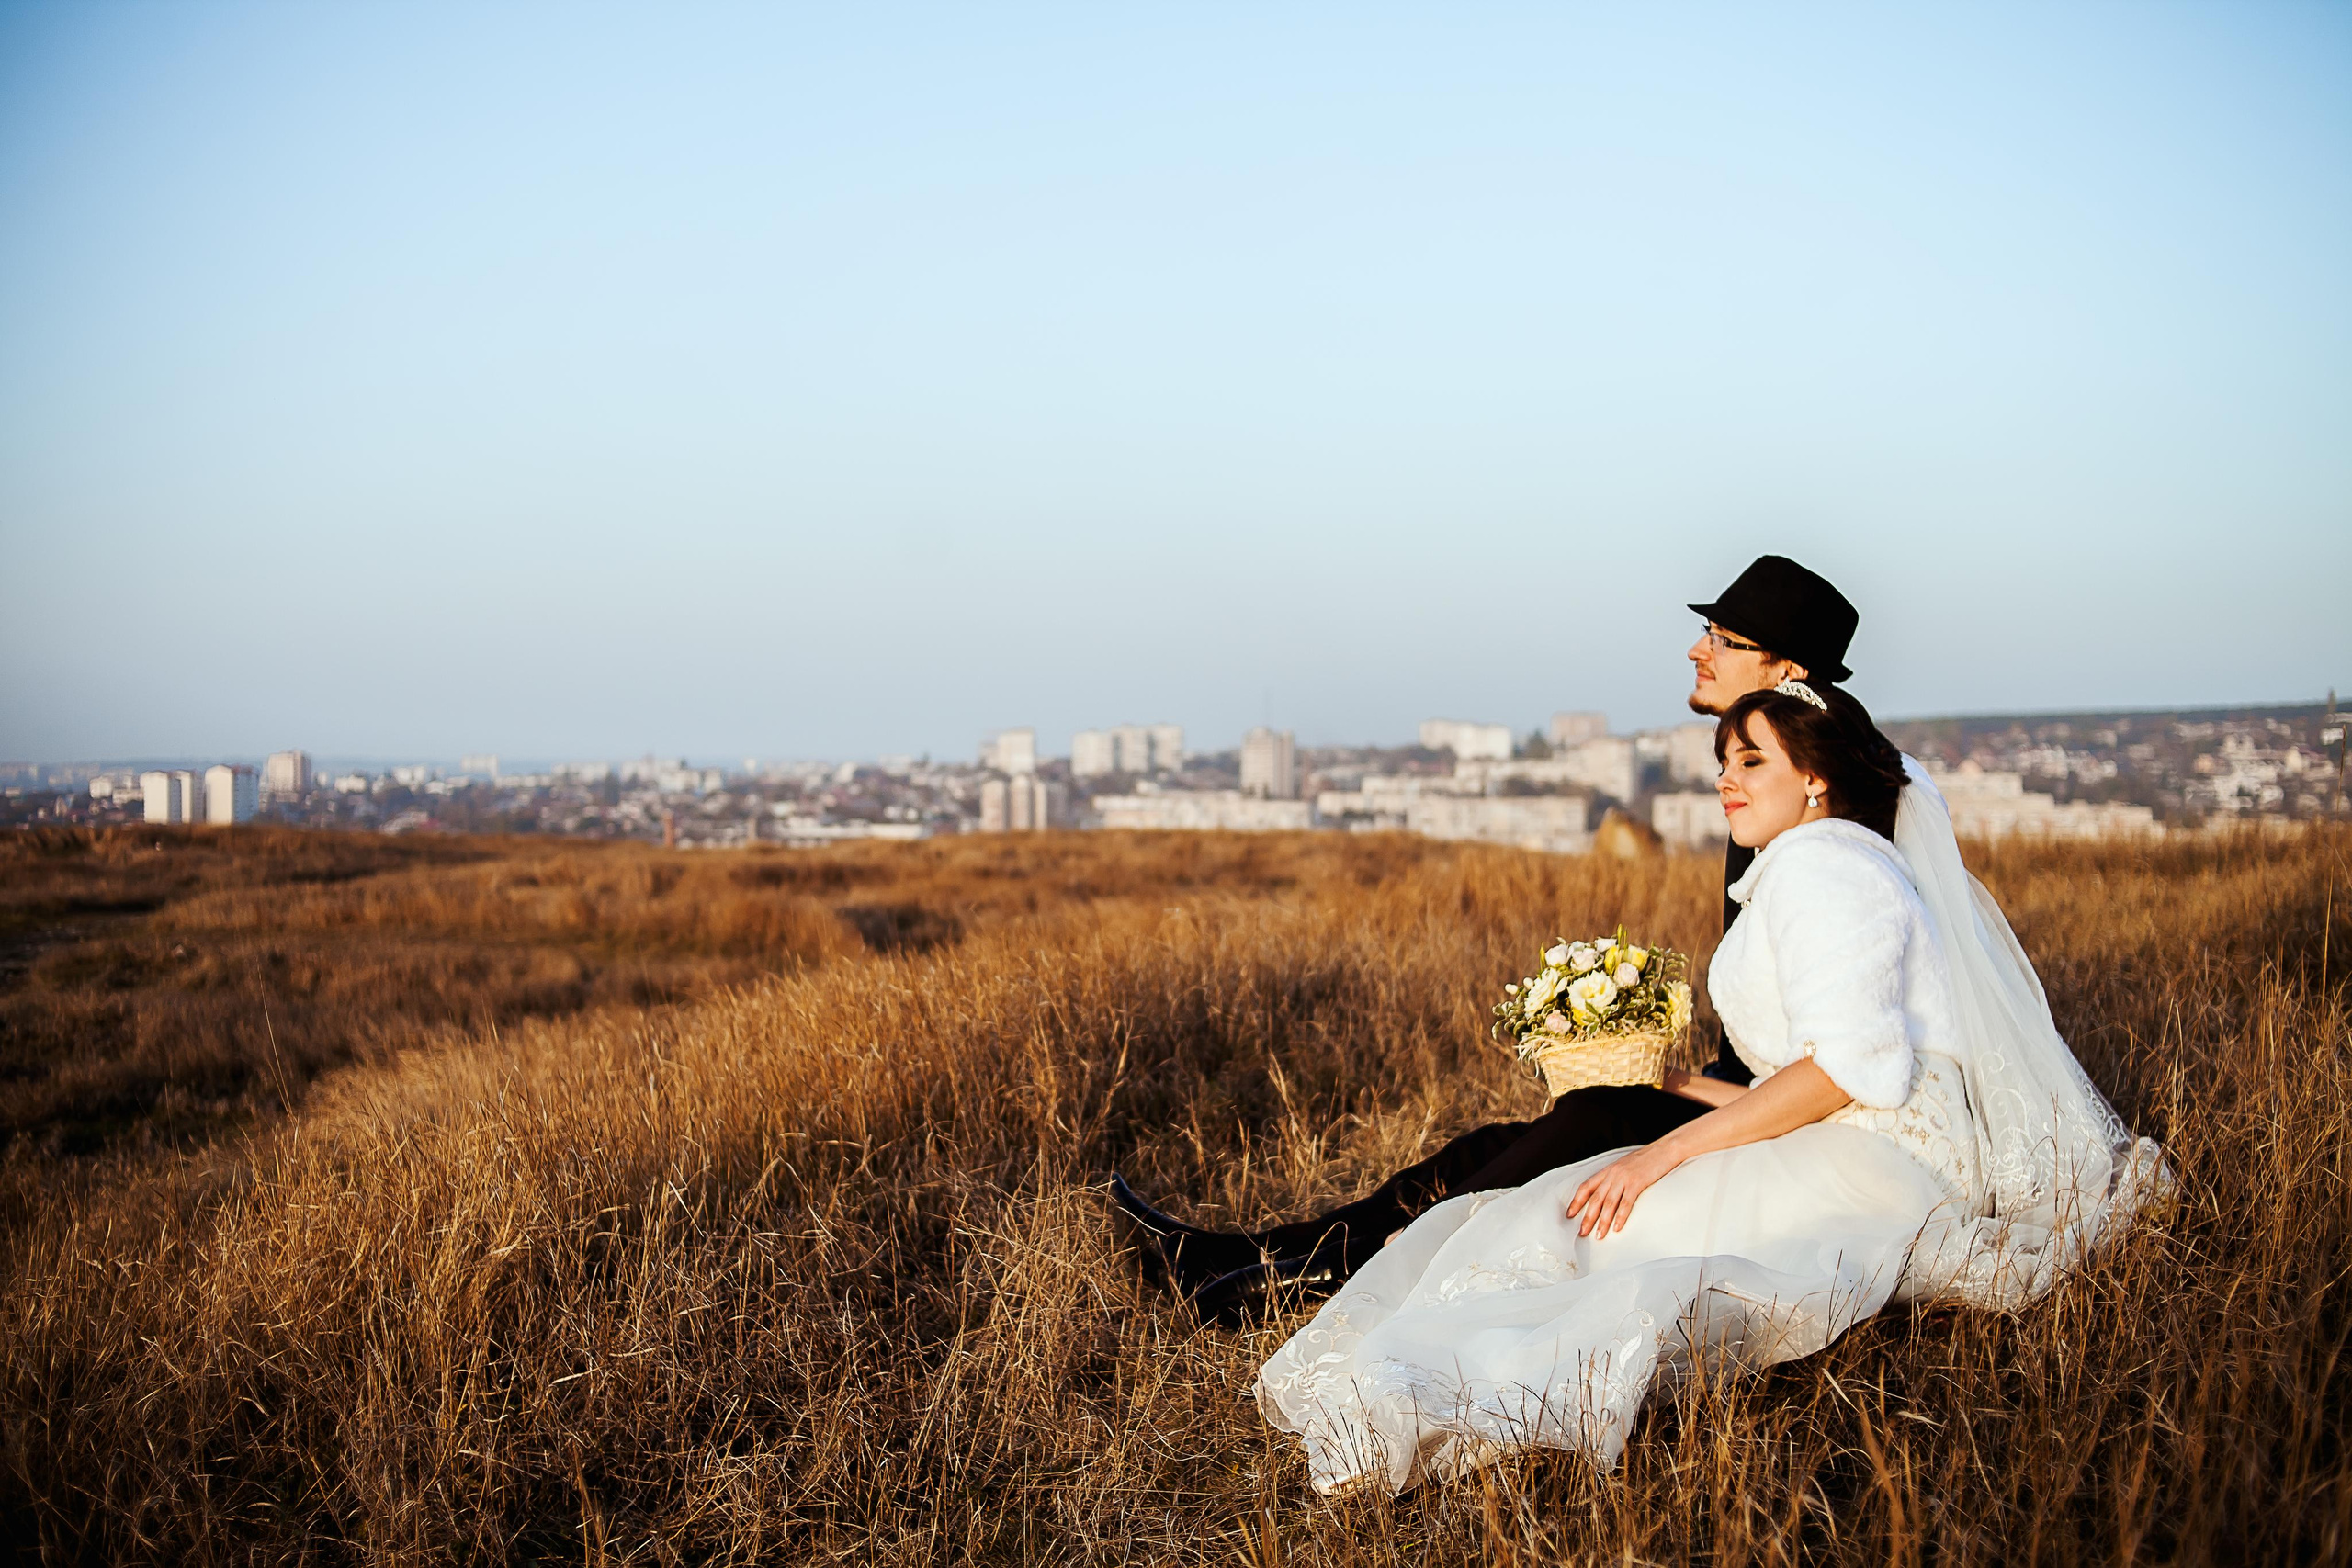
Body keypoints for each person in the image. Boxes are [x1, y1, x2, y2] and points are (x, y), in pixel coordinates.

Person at [1252, 682, 2166, 1494]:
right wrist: (1679, 1085)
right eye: (1723, 760)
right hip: (1857, 1140)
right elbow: (1832, 1080)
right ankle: (1427, 1375)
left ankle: (1441, 1395)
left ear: (1814, 777)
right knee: (1566, 1213)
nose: (1725, 778)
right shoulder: (1822, 861)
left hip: (1879, 1167)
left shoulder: (1826, 866)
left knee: (1587, 1228)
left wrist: (1661, 1154)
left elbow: (1853, 1073)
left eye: (1750, 760)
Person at [1109, 554, 1865, 1321]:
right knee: (1498, 1144)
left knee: (1587, 1125)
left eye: (1726, 639)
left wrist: (1672, 1114)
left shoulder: (1830, 838)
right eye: (1708, 630)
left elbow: (1840, 1068)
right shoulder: (1772, 798)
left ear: (1789, 671)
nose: (1698, 649)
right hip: (1738, 1096)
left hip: (1791, 1137)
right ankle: (1243, 1255)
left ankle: (1298, 1284)